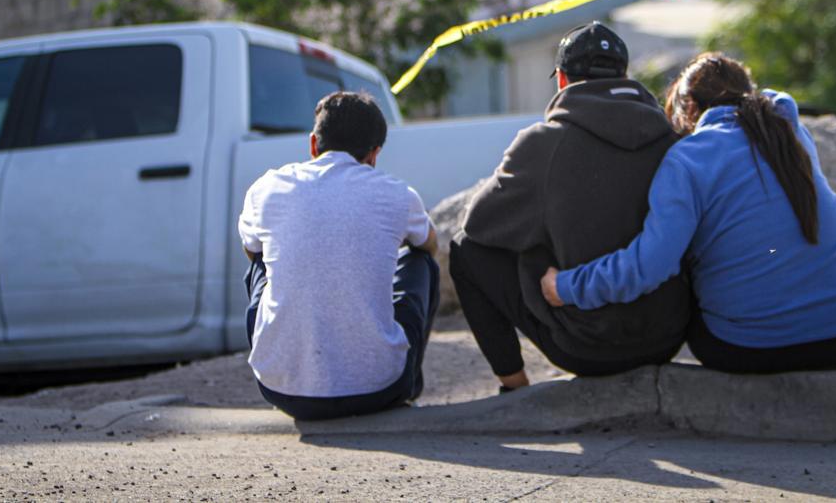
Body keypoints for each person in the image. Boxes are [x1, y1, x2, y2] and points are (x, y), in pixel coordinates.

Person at [541, 52, 836, 374]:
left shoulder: (689, 158)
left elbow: (649, 267)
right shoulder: (791, 132)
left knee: (679, 257)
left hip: (750, 348)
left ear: (690, 108)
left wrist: (566, 287)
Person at [450, 22, 691, 392]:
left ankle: (513, 386)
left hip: (587, 347)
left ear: (562, 79)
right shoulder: (672, 138)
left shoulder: (544, 143)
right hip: (669, 337)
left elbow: (479, 223)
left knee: (465, 249)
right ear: (624, 76)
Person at [238, 91, 440, 420]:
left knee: (261, 260)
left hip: (282, 390)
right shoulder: (398, 194)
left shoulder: (266, 188)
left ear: (313, 145)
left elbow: (251, 250)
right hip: (380, 388)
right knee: (421, 261)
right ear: (374, 155)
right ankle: (410, 383)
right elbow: (431, 245)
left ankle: (288, 357)